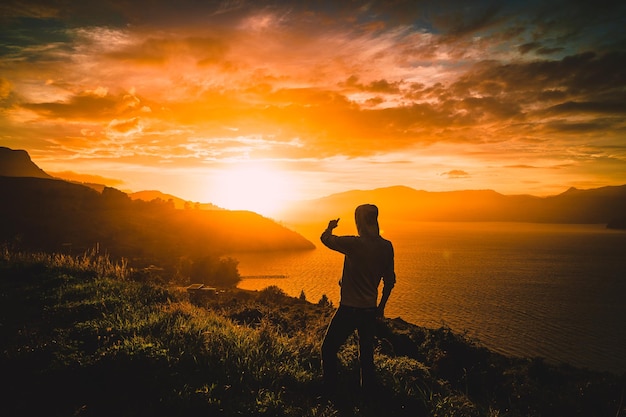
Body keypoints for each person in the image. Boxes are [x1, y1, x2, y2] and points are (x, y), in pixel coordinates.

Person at [320, 203, 396, 396]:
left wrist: (330, 227)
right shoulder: (386, 247)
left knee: (328, 349)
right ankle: (368, 397)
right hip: (370, 310)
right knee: (366, 355)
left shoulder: (354, 244)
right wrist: (381, 307)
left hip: (349, 309)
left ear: (359, 221)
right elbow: (389, 281)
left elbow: (325, 239)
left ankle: (331, 392)